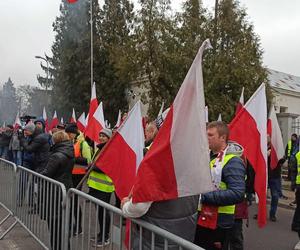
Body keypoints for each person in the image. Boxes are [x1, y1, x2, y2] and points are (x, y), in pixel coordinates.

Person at [121, 119, 199, 250]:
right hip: (183, 238)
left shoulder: (156, 163)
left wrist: (125, 206)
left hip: (155, 240)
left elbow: (139, 208)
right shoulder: (196, 161)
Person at [194, 121, 246, 250]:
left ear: (222, 138)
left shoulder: (233, 161)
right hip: (204, 218)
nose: (206, 138)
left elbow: (237, 193)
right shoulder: (209, 156)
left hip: (219, 223)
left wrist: (203, 197)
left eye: (210, 135)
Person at [40, 130, 74, 250]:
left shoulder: (56, 156)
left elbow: (46, 174)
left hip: (54, 193)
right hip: (63, 189)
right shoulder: (69, 151)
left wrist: (37, 174)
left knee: (55, 227)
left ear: (56, 140)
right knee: (61, 226)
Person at [87, 128, 114, 247]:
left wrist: (92, 167)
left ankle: (105, 237)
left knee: (103, 213)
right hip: (95, 186)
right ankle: (101, 233)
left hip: (104, 188)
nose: (101, 137)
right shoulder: (99, 149)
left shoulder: (110, 150)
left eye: (104, 136)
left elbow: (107, 167)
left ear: (109, 138)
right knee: (99, 212)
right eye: (100, 135)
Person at [65, 123, 92, 235]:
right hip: (70, 174)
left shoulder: (83, 143)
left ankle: (78, 227)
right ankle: (72, 225)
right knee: (70, 201)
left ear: (73, 133)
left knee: (75, 202)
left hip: (79, 176)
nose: (67, 135)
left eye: (68, 133)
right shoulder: (71, 142)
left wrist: (73, 159)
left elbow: (88, 161)